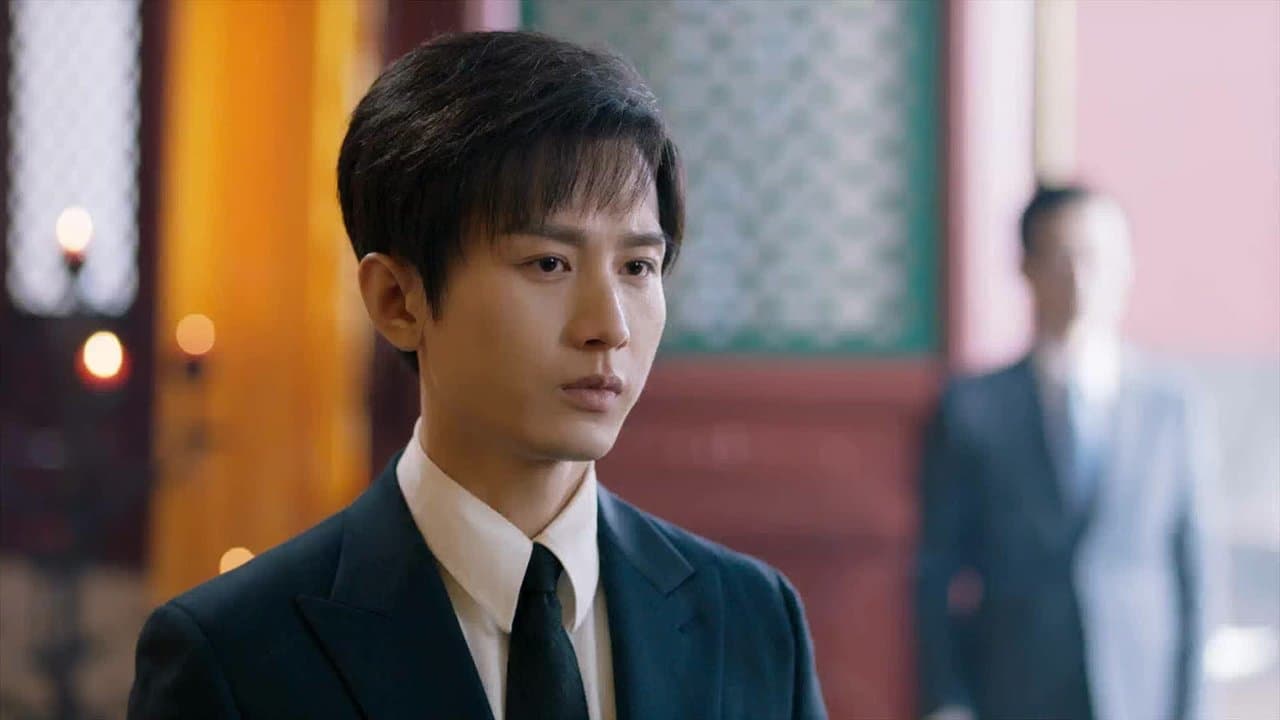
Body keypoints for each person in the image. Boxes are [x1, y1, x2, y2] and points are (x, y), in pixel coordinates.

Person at [127, 31, 826, 720]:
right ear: (398, 301)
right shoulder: (233, 658)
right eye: (549, 263)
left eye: (637, 267)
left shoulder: (753, 621)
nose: (609, 326)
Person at [915, 185, 1216, 720]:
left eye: (1097, 257)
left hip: (1139, 687)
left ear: (1127, 267)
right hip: (1015, 686)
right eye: (1063, 257)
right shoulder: (974, 409)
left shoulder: (1170, 409)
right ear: (1027, 268)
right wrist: (949, 699)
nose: (1081, 278)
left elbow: (1196, 570)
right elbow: (937, 566)